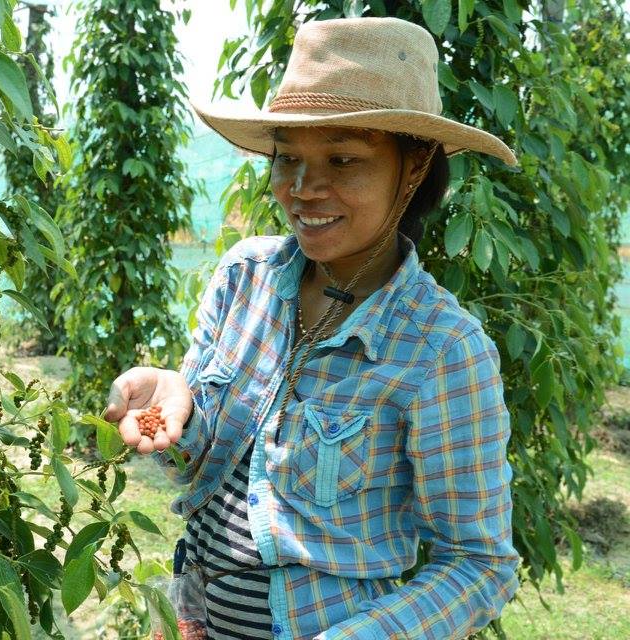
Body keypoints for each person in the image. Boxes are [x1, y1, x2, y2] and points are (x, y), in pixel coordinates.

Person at [104, 16, 520, 640]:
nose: (304, 189)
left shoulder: (441, 350)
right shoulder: (245, 278)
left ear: (413, 167)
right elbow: (203, 459)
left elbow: (479, 565)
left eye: (344, 159)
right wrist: (176, 405)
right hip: (195, 618)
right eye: (287, 159)